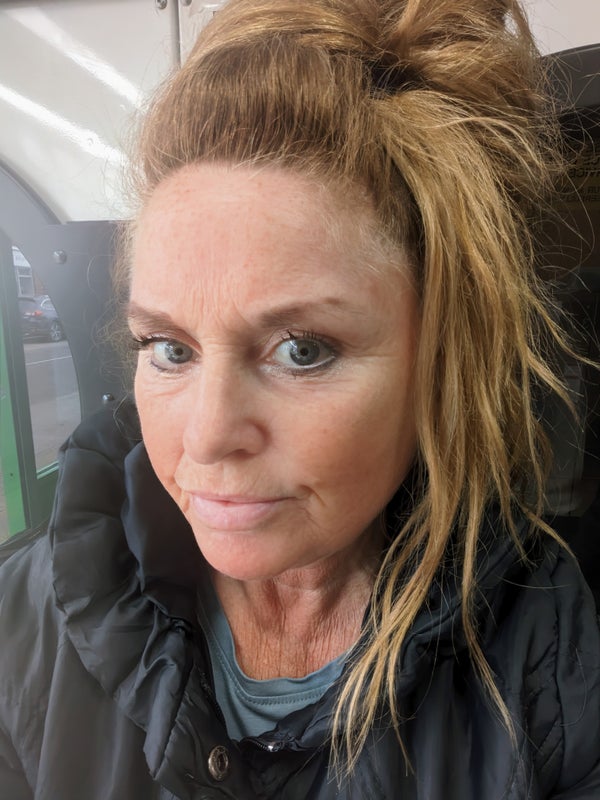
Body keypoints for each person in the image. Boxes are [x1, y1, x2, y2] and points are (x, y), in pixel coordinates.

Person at [1, 0, 599, 797]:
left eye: (302, 351)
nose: (206, 438)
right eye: (170, 348)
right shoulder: (24, 621)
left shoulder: (544, 646)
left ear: (438, 364)